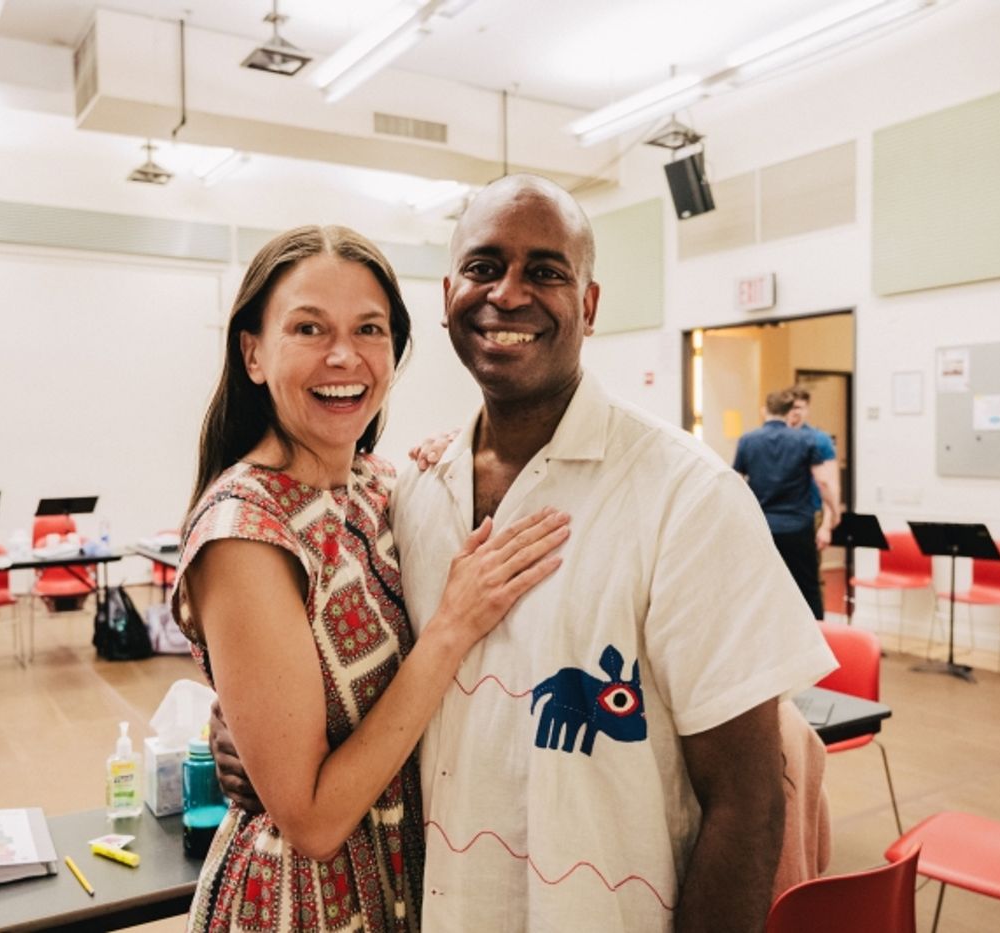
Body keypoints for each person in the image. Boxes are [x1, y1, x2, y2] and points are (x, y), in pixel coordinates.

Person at [212, 177, 836, 932]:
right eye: (483, 267)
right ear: (448, 298)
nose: (507, 294)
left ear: (590, 304)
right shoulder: (414, 494)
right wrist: (245, 733)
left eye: (545, 270)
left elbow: (749, 801)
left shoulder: (687, 497)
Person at [171, 224, 571, 933]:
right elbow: (315, 821)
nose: (343, 355)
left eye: (369, 328)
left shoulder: (383, 484)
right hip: (303, 906)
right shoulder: (245, 532)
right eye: (308, 327)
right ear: (253, 352)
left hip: (409, 881)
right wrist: (452, 626)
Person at [733, 389, 839, 620]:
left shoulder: (747, 441)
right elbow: (822, 481)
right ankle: (818, 641)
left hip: (762, 527)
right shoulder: (805, 440)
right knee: (807, 586)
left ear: (765, 411)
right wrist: (834, 510)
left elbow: (735, 483)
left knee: (764, 586)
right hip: (797, 526)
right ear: (788, 412)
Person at [787, 385, 841, 533]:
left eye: (799, 407)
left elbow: (829, 483)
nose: (795, 412)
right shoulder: (773, 438)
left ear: (807, 409)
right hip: (778, 515)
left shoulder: (820, 439)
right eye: (791, 407)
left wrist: (827, 524)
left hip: (809, 513)